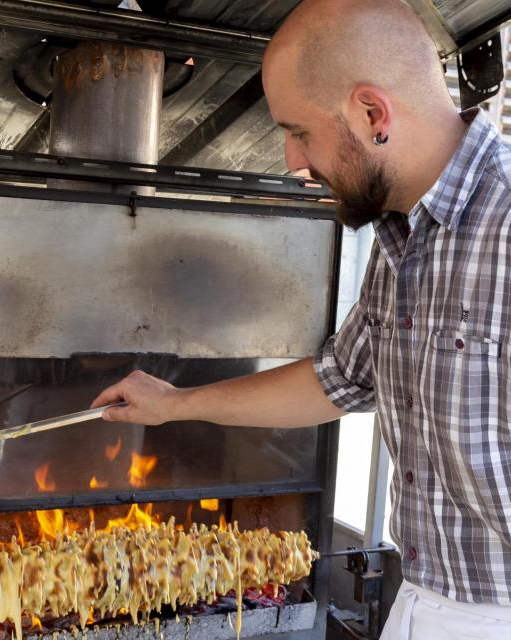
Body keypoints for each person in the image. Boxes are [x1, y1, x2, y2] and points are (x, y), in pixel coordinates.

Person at [91, 0, 511, 637]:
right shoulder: (401, 234)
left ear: (373, 113)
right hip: (421, 600)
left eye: (300, 131)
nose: (290, 158)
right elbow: (338, 380)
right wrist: (173, 403)